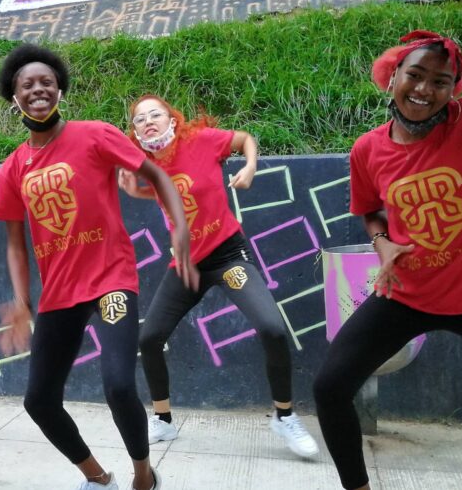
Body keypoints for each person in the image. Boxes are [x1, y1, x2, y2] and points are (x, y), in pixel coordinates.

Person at [311, 30, 462, 490]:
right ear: (392, 76)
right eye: (415, 75)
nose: (424, 89)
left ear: (453, 89)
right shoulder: (368, 149)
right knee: (329, 388)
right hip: (405, 297)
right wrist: (382, 242)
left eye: (440, 81)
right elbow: (370, 210)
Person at [0, 44, 199, 490]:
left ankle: (143, 476)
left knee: (119, 385)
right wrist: (22, 302)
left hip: (110, 280)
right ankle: (98, 478)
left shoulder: (95, 135)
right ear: (14, 97)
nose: (38, 89)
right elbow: (15, 244)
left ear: (60, 91)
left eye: (47, 81)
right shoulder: (12, 168)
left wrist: (180, 227)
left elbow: (157, 175)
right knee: (39, 401)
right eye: (27, 84)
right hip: (60, 293)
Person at [117, 95, 318, 458]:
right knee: (149, 338)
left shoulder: (201, 141)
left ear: (172, 120)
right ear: (135, 131)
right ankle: (163, 420)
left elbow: (245, 140)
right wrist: (136, 191)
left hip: (227, 257)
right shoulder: (145, 163)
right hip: (186, 265)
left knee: (272, 328)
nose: (148, 121)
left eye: (155, 114)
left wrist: (251, 166)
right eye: (140, 119)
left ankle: (285, 416)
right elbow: (168, 192)